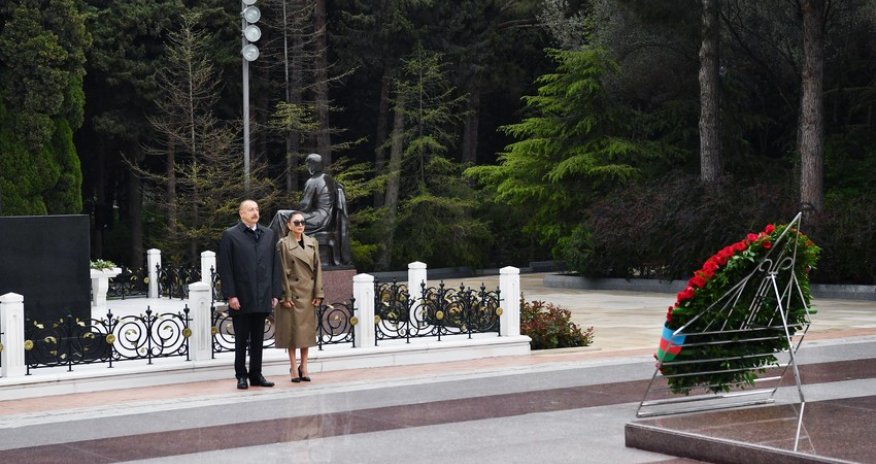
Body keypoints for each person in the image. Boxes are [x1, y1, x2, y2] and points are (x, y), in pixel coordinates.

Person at [217, 199, 282, 390]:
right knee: (241, 339)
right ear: (241, 213)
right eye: (250, 209)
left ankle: (256, 374)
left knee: (258, 339)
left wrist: (275, 293)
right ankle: (241, 375)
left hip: (263, 295)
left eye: (257, 209)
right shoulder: (231, 235)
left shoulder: (268, 234)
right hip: (241, 297)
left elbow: (274, 265)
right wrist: (231, 295)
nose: (255, 212)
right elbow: (226, 268)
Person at [276, 210, 324, 382]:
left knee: (306, 333)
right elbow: (280, 271)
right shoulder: (283, 244)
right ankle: (293, 366)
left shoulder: (313, 243)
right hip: (292, 293)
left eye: (303, 222)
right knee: (292, 333)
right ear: (289, 225)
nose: (301, 225)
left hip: (308, 293)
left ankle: (304, 366)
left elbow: (318, 268)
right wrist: (285, 296)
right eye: (296, 222)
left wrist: (318, 292)